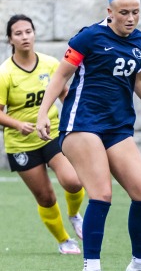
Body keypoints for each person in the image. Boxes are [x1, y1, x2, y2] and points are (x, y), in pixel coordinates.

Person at [36, 0, 141, 271]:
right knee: (101, 194)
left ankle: (138, 267)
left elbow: (138, 81)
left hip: (118, 127)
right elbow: (61, 75)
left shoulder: (140, 41)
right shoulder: (89, 37)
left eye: (135, 13)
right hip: (81, 123)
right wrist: (44, 113)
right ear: (110, 12)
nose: (130, 19)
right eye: (124, 13)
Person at [0, 14, 84, 255]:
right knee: (45, 197)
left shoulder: (49, 64)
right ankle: (63, 240)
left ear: (34, 34)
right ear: (10, 40)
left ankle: (74, 214)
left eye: (28, 31)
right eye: (18, 33)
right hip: (21, 144)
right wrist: (17, 125)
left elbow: (64, 95)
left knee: (73, 181)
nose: (24, 36)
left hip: (53, 133)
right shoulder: (5, 73)